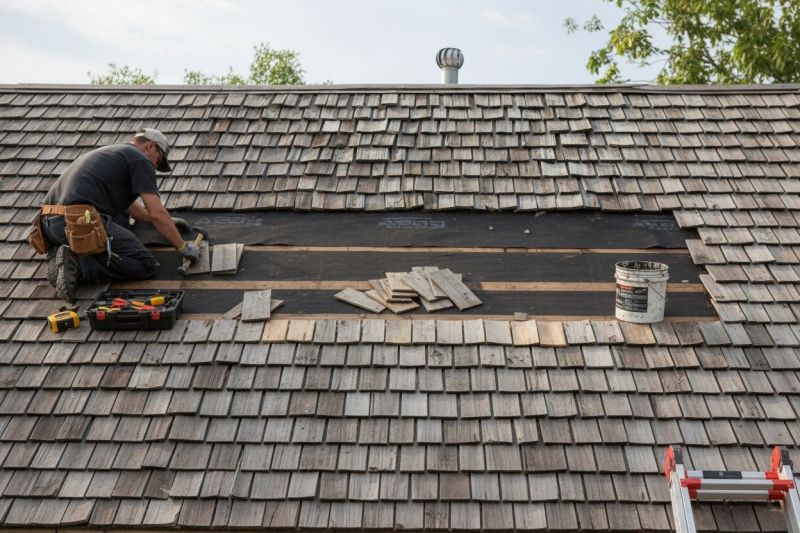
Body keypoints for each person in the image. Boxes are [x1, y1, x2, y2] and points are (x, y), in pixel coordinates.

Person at [39, 128, 200, 302]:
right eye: (157, 162)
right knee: (147, 265)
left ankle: (64, 251)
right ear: (151, 146)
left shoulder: (114, 153)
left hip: (49, 225)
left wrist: (167, 222)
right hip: (78, 222)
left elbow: (134, 208)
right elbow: (156, 212)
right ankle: (80, 265)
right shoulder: (140, 160)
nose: (154, 168)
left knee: (120, 213)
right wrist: (183, 247)